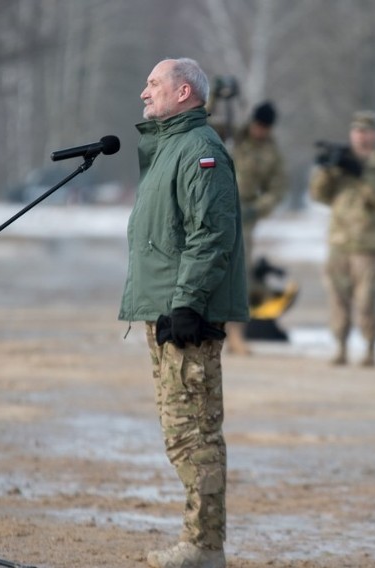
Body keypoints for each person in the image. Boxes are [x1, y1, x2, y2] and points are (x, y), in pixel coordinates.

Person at [119, 57, 248, 568]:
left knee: (194, 433)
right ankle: (199, 543)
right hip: (166, 312)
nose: (144, 93)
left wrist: (188, 303)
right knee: (181, 434)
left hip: (184, 317)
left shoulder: (198, 149)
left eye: (154, 84)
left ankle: (203, 546)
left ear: (185, 93)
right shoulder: (169, 147)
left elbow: (211, 234)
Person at [309, 110, 375, 367]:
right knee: (337, 300)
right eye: (357, 132)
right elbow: (319, 195)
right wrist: (327, 170)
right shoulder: (342, 162)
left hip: (368, 246)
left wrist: (362, 174)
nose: (361, 137)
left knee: (366, 302)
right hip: (339, 243)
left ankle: (370, 348)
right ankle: (340, 346)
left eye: (366, 131)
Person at [226, 101, 289, 355]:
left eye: (265, 127)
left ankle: (235, 334)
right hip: (211, 208)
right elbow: (201, 120)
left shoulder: (271, 154)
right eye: (257, 124)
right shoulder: (231, 136)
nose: (260, 131)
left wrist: (258, 208)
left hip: (243, 217)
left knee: (238, 276)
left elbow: (277, 190)